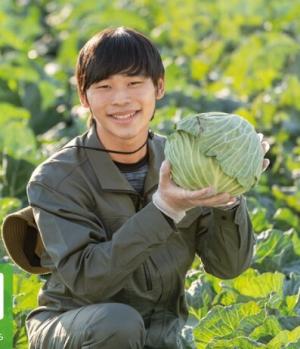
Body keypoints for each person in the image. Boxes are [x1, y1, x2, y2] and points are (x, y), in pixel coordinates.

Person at [2, 27, 270, 349]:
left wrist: (229, 198)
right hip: (73, 324)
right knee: (118, 324)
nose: (121, 99)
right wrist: (165, 210)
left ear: (158, 87)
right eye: (104, 86)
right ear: (84, 98)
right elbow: (87, 283)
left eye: (134, 83)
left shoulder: (187, 162)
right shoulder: (56, 179)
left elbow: (227, 267)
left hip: (159, 330)